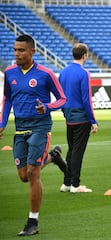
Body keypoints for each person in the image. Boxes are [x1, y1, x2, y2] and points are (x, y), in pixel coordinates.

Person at [0, 34, 67, 236]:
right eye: (15, 50)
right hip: (20, 128)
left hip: (40, 126)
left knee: (32, 173)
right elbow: (8, 99)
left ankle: (33, 222)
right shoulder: (9, 72)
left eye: (21, 50)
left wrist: (46, 107)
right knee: (22, 176)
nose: (17, 53)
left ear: (32, 51)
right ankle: (53, 157)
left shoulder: (45, 74)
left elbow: (62, 99)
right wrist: (2, 123)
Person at [58, 43, 98, 193]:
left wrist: (64, 112)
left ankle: (67, 183)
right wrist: (93, 120)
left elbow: (60, 96)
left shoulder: (63, 72)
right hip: (81, 117)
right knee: (78, 152)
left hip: (69, 116)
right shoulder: (84, 73)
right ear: (84, 55)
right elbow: (86, 98)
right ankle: (75, 185)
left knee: (71, 150)